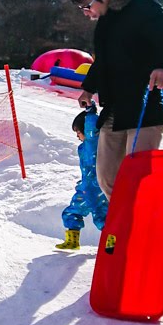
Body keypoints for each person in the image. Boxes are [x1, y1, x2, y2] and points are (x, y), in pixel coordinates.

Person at [69, 0, 163, 199]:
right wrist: (89, 87)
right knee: (107, 175)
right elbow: (105, 59)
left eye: (87, 6)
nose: (86, 12)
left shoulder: (141, 7)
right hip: (116, 106)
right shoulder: (107, 20)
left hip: (146, 105)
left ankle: (143, 226)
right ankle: (123, 225)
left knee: (135, 176)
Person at [59, 107, 109, 250]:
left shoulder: (94, 144)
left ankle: (113, 245)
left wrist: (90, 113)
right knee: (71, 213)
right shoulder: (83, 148)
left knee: (102, 219)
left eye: (78, 132)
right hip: (85, 189)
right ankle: (72, 242)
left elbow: (92, 131)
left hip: (98, 190)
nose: (77, 136)